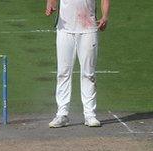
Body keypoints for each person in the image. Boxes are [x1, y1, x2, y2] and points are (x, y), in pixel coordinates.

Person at [46, 0, 110, 128]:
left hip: (88, 29)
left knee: (88, 74)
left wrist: (105, 17)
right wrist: (51, 5)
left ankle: (90, 115)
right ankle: (62, 114)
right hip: (65, 29)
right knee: (63, 73)